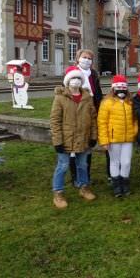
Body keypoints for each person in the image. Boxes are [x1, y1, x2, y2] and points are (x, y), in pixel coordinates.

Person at [50, 66, 97, 209]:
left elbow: (93, 118)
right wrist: (57, 141)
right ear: (67, 81)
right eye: (73, 79)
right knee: (63, 166)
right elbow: (55, 121)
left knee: (83, 165)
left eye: (78, 79)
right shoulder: (60, 98)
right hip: (66, 139)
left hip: (83, 137)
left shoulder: (87, 98)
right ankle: (58, 192)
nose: (75, 81)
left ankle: (84, 187)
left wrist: (93, 136)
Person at [97, 75, 137, 197]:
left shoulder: (130, 102)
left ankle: (125, 183)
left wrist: (134, 132)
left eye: (123, 87)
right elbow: (102, 122)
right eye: (118, 87)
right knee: (114, 162)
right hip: (113, 139)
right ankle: (116, 185)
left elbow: (135, 120)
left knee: (126, 162)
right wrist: (104, 140)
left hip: (128, 139)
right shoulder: (106, 103)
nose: (121, 89)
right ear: (113, 88)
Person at [69, 49, 104, 185]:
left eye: (90, 58)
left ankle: (86, 176)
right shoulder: (72, 73)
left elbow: (98, 93)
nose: (87, 60)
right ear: (78, 58)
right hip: (75, 114)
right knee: (74, 147)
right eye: (84, 57)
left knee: (88, 146)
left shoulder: (93, 74)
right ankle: (75, 177)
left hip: (91, 113)